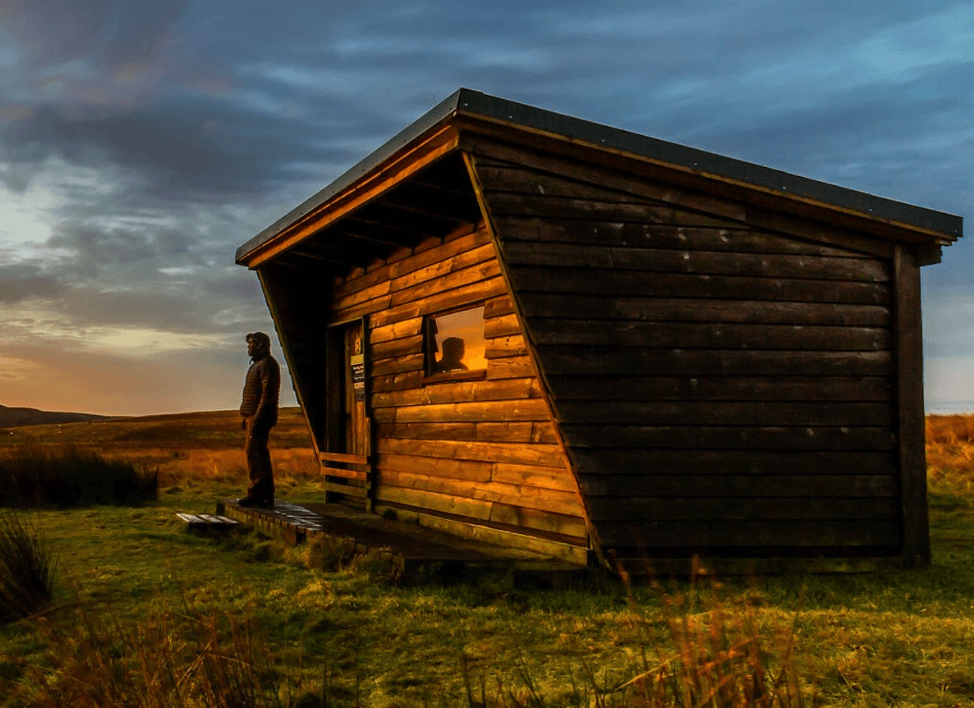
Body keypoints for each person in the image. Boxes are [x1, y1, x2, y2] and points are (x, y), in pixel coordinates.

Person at [238, 332, 280, 508]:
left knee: (255, 454)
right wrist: (246, 415)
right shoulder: (258, 364)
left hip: (259, 417)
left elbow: (267, 395)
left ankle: (258, 492)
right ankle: (262, 493)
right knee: (256, 454)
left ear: (261, 345)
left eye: (252, 344)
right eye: (248, 345)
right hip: (254, 416)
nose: (249, 348)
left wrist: (257, 418)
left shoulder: (267, 364)